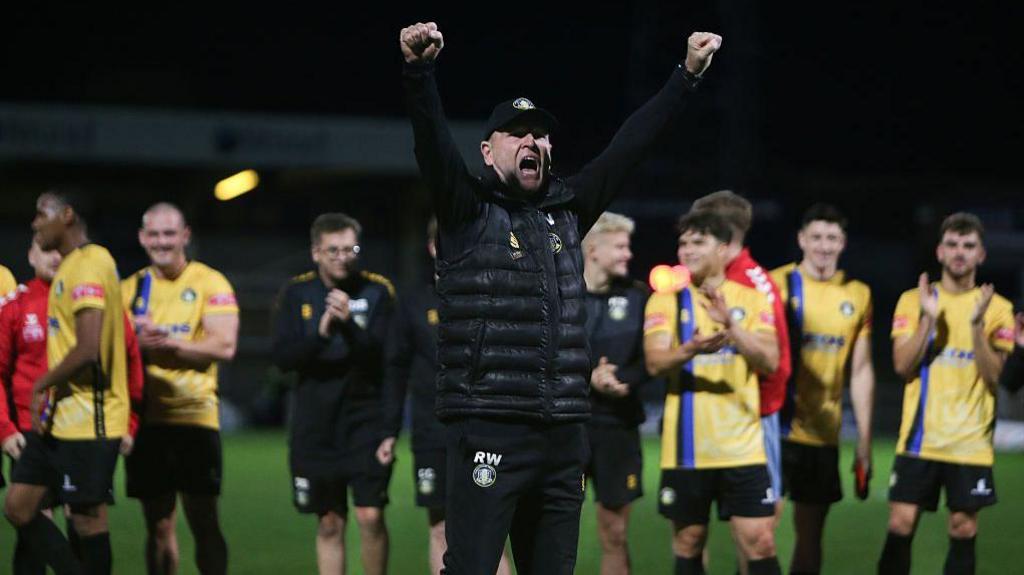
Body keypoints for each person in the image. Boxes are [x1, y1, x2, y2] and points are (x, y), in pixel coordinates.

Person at [400, 20, 721, 574]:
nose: (532, 142)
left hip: (564, 434)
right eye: (516, 133)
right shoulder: (464, 210)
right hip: (489, 424)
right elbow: (430, 142)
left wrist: (684, 77)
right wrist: (420, 72)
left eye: (541, 134)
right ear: (487, 149)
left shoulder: (569, 213)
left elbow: (629, 146)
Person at [644, 211, 781, 575]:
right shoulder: (666, 300)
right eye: (683, 242)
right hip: (688, 452)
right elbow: (655, 362)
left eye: (697, 242)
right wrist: (692, 349)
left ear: (722, 249)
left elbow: (770, 359)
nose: (686, 250)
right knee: (688, 542)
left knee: (761, 540)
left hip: (743, 449)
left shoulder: (752, 300)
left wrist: (732, 327)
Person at [878, 212, 1014, 575]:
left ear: (981, 255)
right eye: (952, 244)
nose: (960, 253)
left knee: (963, 527)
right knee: (900, 524)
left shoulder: (998, 310)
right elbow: (902, 366)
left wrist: (975, 325)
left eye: (968, 246)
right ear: (939, 251)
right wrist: (928, 319)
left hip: (970, 443)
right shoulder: (913, 300)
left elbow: (993, 375)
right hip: (920, 439)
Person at [3, 191, 130, 575]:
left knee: (87, 519)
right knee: (18, 506)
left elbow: (88, 348)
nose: (35, 222)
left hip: (91, 418)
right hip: (59, 419)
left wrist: (41, 385)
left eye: (42, 214)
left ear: (67, 216)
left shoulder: (91, 263)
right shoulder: (69, 270)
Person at [376, 218, 512, 575]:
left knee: (490, 530)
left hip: (486, 428)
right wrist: (388, 430)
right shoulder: (412, 302)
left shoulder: (491, 295)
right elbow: (395, 368)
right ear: (433, 247)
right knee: (439, 527)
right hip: (431, 431)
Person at [272, 213, 395, 575]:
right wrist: (322, 332)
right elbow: (283, 359)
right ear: (316, 252)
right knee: (329, 522)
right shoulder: (296, 293)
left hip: (365, 421)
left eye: (350, 249)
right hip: (316, 425)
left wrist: (350, 325)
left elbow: (386, 358)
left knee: (370, 516)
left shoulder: (377, 291)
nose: (343, 257)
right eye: (334, 250)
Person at [121, 202, 238, 575]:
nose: (162, 242)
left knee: (204, 521)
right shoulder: (130, 288)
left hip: (195, 418)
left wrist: (169, 345)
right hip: (147, 420)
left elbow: (224, 346)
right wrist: (136, 345)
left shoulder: (210, 282)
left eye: (169, 233)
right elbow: (111, 352)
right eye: (153, 234)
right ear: (142, 238)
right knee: (158, 525)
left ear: (185, 235)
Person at [769, 204, 874, 575]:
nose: (823, 246)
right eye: (816, 237)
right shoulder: (774, 285)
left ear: (843, 243)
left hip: (824, 433)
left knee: (810, 535)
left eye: (832, 238)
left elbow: (860, 370)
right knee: (760, 533)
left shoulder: (858, 294)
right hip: (775, 429)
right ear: (801, 239)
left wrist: (863, 437)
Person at [690, 191, 791, 516]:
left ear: (724, 235)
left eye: (702, 232)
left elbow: (776, 361)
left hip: (750, 417)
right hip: (715, 414)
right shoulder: (719, 277)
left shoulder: (748, 283)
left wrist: (758, 412)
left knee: (759, 525)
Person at [581, 212, 650, 574]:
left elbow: (649, 361)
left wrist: (625, 380)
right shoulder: (562, 296)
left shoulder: (638, 297)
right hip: (566, 428)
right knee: (552, 531)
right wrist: (588, 377)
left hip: (617, 428)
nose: (628, 254)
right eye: (620, 246)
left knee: (615, 532)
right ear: (593, 249)